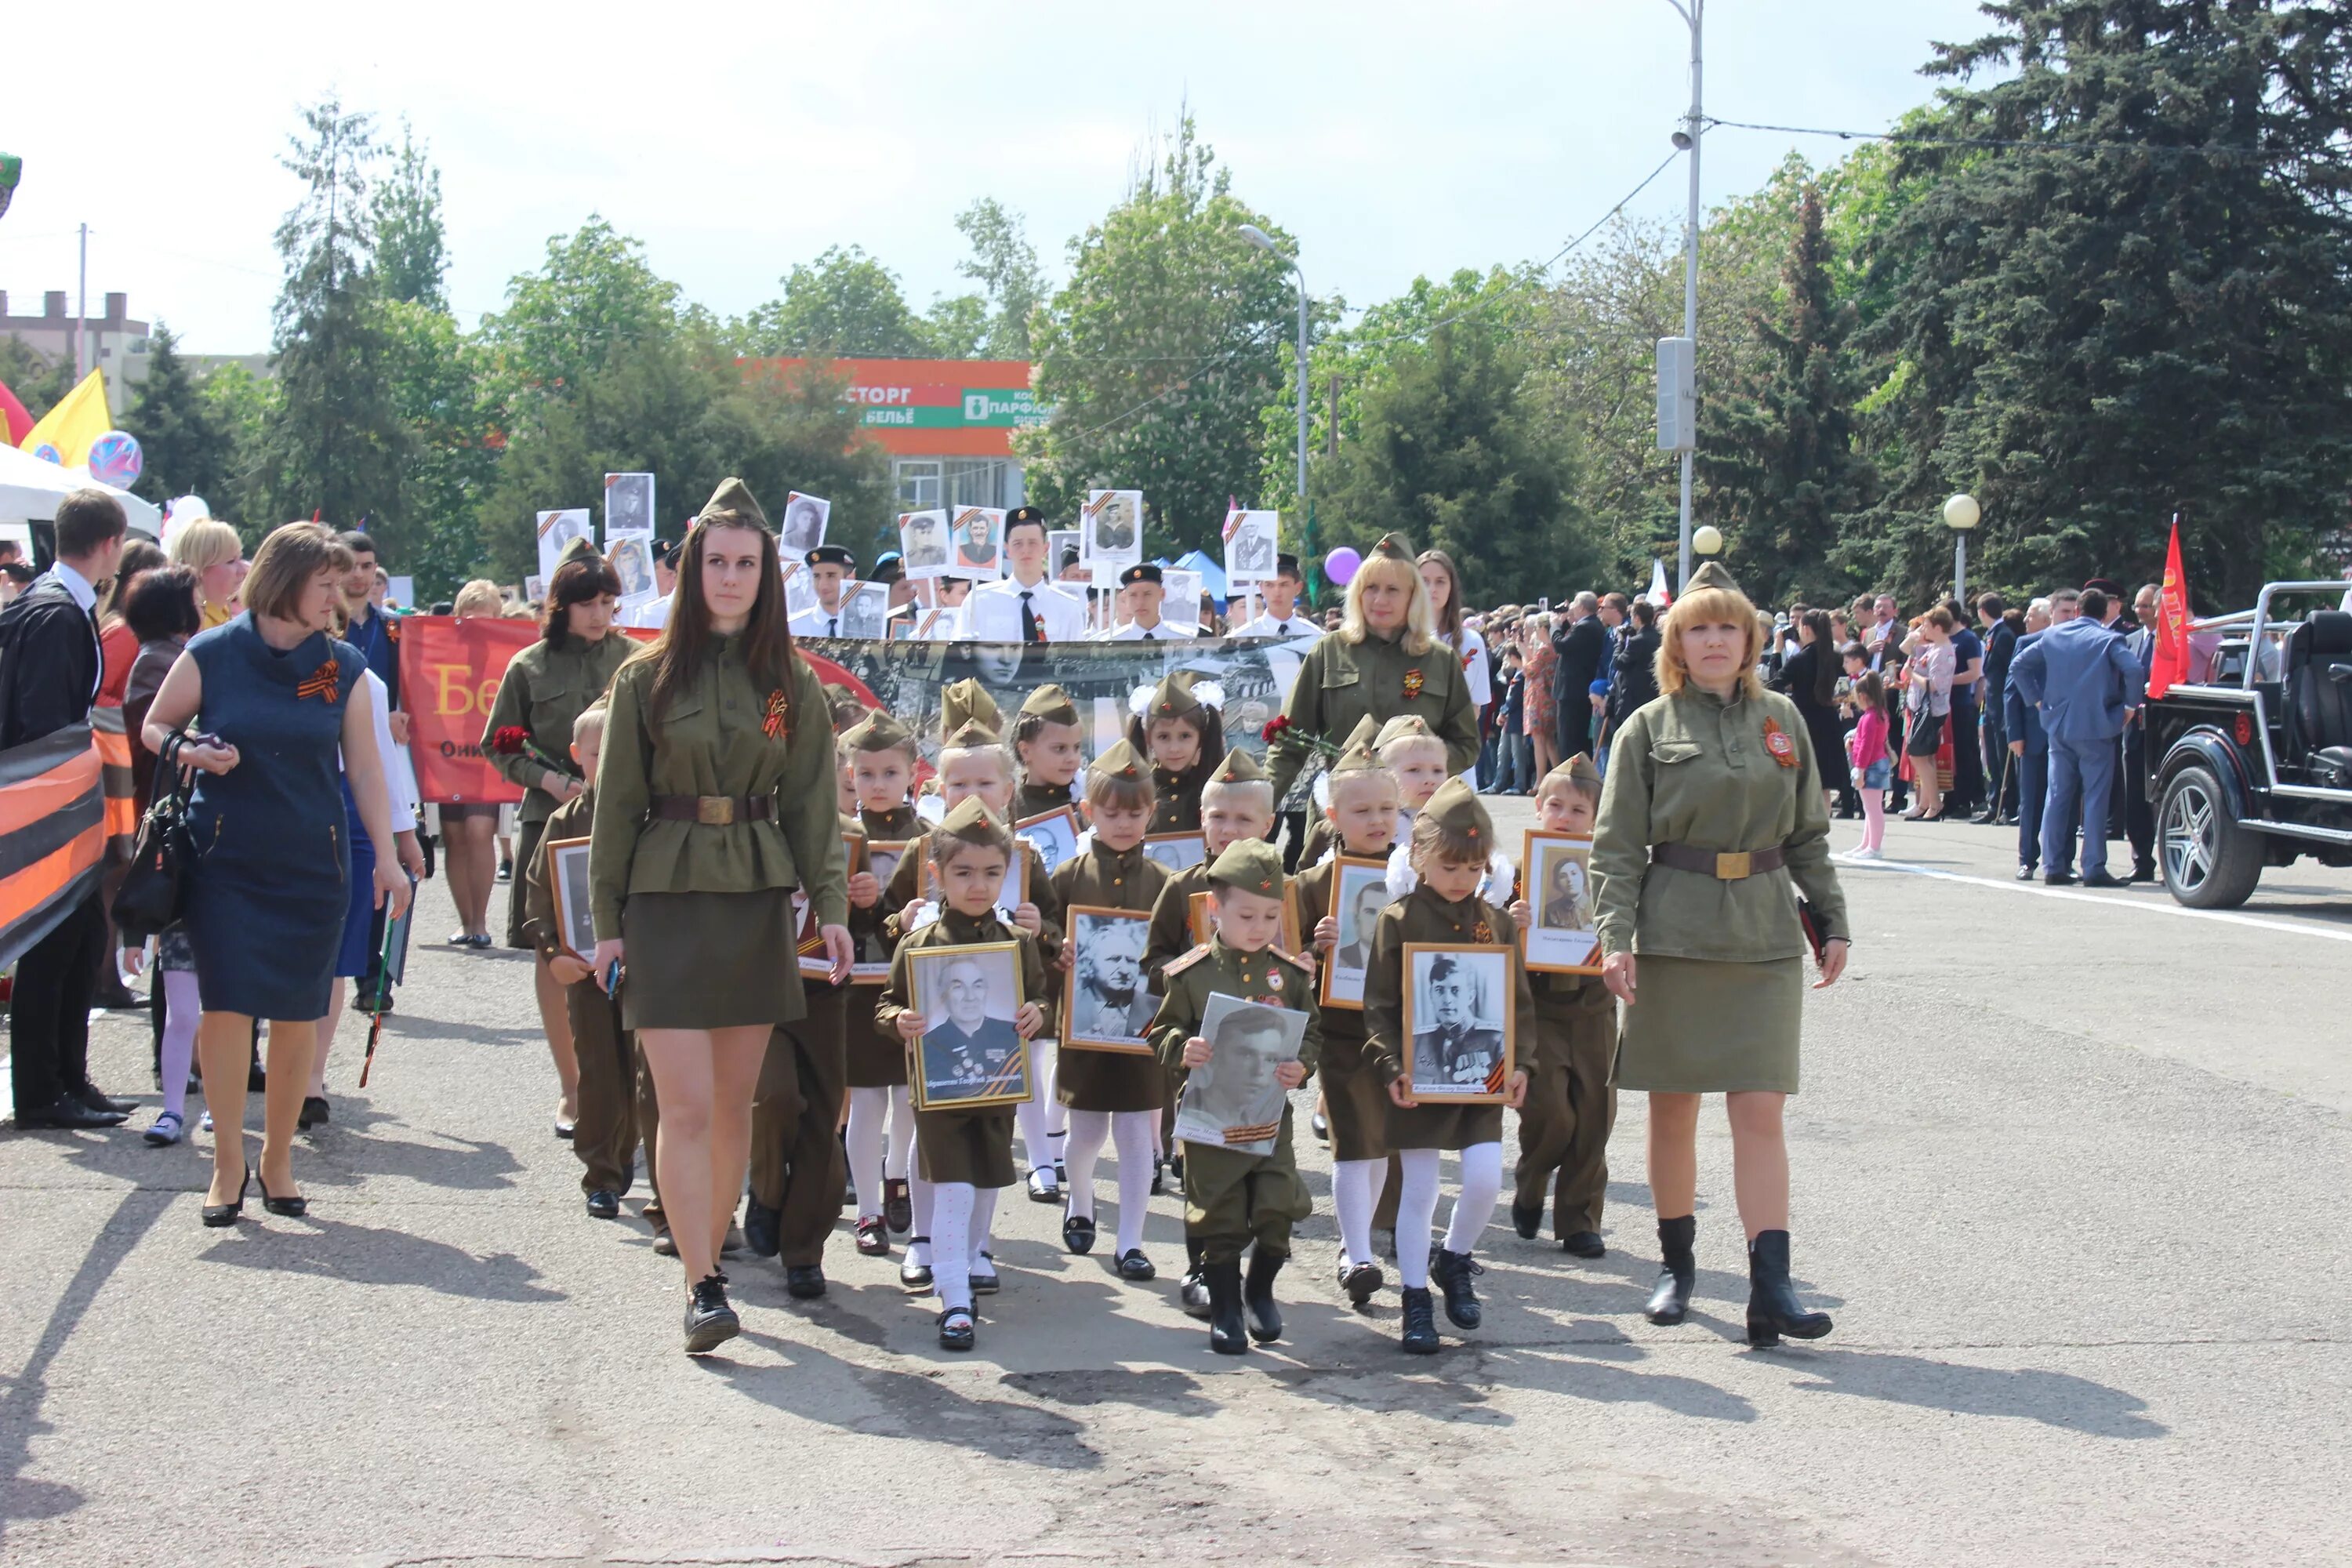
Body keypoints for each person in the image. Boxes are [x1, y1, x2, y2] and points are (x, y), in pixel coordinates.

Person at [588, 477, 852, 1355]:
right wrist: (606, 923)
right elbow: (616, 805)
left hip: (752, 894)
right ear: (691, 568)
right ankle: (700, 1280)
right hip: (663, 898)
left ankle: (716, 1257)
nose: (730, 577)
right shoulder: (644, 676)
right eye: (716, 561)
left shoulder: (787, 684)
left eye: (746, 563)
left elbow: (813, 800)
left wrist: (829, 907)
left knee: (737, 1105)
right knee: (688, 1105)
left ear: (767, 574)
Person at [1588, 560, 1849, 1346]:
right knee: (1673, 1109)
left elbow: (1807, 833)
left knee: (1759, 1108)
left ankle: (1772, 1286)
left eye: (1727, 627)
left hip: (1764, 933)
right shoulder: (1647, 727)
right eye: (1698, 627)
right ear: (1675, 642)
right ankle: (1676, 1266)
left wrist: (1832, 920)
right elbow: (1616, 847)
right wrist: (1615, 937)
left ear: (1749, 640)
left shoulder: (1783, 721)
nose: (1713, 640)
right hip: (1674, 934)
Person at [141, 523, 412, 1222]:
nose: (340, 593)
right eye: (325, 583)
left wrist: (387, 857)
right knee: (226, 1010)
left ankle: (278, 1159)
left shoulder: (340, 666)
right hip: (224, 862)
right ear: (284, 581)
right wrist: (193, 750)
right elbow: (155, 725)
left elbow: (368, 771)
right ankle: (228, 1165)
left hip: (312, 866)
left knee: (297, 1014)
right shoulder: (214, 652)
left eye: (341, 583)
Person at [1362, 778, 1534, 1354]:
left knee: (1485, 1179)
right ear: (1419, 858)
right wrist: (1391, 1067)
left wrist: (1520, 1064)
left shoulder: (1499, 922)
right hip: (1417, 1078)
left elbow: (1519, 1004)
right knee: (1421, 1190)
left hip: (1481, 1080)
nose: (1462, 880)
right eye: (1450, 867)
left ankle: (1454, 1258)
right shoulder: (1399, 920)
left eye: (1474, 868)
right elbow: (1380, 1007)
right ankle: (1415, 1298)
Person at [876, 799, 1053, 1352]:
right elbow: (886, 1004)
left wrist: (1038, 1014)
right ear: (936, 875)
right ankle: (954, 1299)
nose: (978, 886)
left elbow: (1043, 997)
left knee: (983, 1182)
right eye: (963, 873)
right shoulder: (918, 945)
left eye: (992, 873)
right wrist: (899, 1021)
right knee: (951, 1186)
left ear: (1008, 873)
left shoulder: (1019, 943)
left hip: (998, 1089)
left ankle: (974, 1258)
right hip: (940, 1094)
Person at [482, 552, 631, 1140]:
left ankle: (624, 1083)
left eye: (607, 603)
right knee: (554, 954)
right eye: (588, 604)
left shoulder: (633, 662)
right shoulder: (529, 666)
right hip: (551, 825)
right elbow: (499, 744)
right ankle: (573, 1089)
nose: (600, 614)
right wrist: (549, 779)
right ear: (561, 607)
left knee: (626, 947)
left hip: (622, 823)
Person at [1152, 839, 1319, 1352]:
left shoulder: (1288, 975)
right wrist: (1185, 1048)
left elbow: (1311, 1031)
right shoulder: (1192, 974)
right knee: (1219, 1214)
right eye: (1246, 914)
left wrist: (1301, 1066)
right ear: (1214, 908)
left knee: (1277, 1207)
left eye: (1271, 916)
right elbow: (1160, 1033)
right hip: (1211, 1117)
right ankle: (1225, 1309)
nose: (1259, 926)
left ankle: (1260, 1291)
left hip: (1270, 1116)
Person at [2, 489, 132, 1130]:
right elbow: (46, 723)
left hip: (59, 802)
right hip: (54, 805)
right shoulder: (56, 613)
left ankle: (68, 1080)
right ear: (110, 545)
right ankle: (42, 1091)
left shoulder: (56, 604)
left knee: (77, 943)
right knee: (55, 949)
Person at [1049, 739, 1171, 1280]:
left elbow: (1180, 945)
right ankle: (1079, 1199)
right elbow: (1044, 931)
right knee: (1087, 1134)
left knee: (1137, 1136)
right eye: (1111, 812)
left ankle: (1131, 1242)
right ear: (1088, 812)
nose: (1123, 823)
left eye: (1135, 812)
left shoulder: (1165, 882)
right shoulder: (1069, 875)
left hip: (1145, 1030)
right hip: (1085, 1026)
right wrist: (1058, 948)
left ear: (1151, 812)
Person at [523, 701, 644, 1221]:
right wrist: (554, 955)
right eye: (599, 753)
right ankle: (600, 1174)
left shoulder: (649, 816)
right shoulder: (564, 821)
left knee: (643, 1070)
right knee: (598, 1071)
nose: (611, 762)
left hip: (647, 968)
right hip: (585, 970)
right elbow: (539, 898)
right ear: (577, 756)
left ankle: (627, 1154)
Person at [1297, 733, 1403, 1305]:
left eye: (1387, 809)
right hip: (1339, 1033)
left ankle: (1365, 1239)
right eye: (1362, 811)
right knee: (1351, 1143)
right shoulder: (1315, 884)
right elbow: (1286, 962)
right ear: (1334, 815)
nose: (1377, 820)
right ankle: (1355, 1250)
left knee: (1381, 1139)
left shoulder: (1412, 877)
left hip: (1395, 1032)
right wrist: (1315, 950)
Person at [1265, 534, 1478, 816]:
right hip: (1340, 817)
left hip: (1418, 820)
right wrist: (1258, 807)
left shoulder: (1440, 660)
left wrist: (1416, 769)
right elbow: (1289, 742)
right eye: (1371, 588)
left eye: (1393, 590)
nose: (1380, 599)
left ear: (1413, 596)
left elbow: (1466, 744)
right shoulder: (1329, 651)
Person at [1508, 757, 1617, 1258]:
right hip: (1539, 1011)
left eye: (1578, 808)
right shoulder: (1516, 875)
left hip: (1594, 1009)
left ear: (1596, 816)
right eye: (1555, 805)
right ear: (1537, 807)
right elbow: (1484, 938)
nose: (1565, 817)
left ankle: (1579, 1220)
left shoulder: (1610, 872)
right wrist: (1514, 923)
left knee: (1595, 1114)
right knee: (1550, 1111)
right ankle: (1531, 1179)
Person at [120, 567, 205, 1144]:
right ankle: (175, 1107)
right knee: (184, 1008)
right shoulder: (169, 661)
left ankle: (202, 1107)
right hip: (180, 847)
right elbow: (156, 737)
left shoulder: (175, 656)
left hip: (202, 854)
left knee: (213, 1008)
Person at [840, 710, 924, 1254]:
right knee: (867, 1102)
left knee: (910, 1101)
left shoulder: (933, 840)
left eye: (889, 773)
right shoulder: (838, 837)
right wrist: (852, 905)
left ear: (913, 773)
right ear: (850, 775)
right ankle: (868, 1211)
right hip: (855, 992)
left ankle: (899, 1179)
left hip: (915, 992)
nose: (877, 784)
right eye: (866, 774)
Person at [2008, 585, 2145, 888]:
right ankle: (2093, 865)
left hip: (2058, 725)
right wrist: (2129, 707)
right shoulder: (2109, 639)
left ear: (2079, 611)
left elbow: (2018, 666)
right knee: (2095, 798)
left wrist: (2039, 701)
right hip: (2098, 727)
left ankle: (2053, 865)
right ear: (2104, 613)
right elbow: (2134, 670)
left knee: (2056, 796)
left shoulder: (2053, 635)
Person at [434, 580, 510, 946]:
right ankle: (465, 922)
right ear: (458, 618)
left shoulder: (508, 653)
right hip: (448, 753)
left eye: (486, 620)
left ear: (498, 618)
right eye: (470, 619)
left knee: (480, 830)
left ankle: (480, 922)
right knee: (454, 835)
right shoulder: (442, 651)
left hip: (488, 755)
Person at [965, 507, 1086, 644]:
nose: (1025, 550)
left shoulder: (1067, 607)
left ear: (1045, 548)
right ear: (1007, 549)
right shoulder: (980, 601)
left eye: (1033, 543)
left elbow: (1076, 662)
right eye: (1018, 544)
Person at [1130, 670, 1225, 836]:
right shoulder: (1137, 789)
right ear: (1148, 738)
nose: (1174, 748)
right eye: (1164, 737)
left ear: (1201, 737)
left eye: (1185, 736)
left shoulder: (1218, 789)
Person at [336, 531, 408, 746]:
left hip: (384, 747)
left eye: (366, 566)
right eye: (350, 566)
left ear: (375, 570)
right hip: (334, 749)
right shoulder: (320, 627)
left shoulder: (395, 626)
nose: (358, 574)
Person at [2005, 597, 2059, 880]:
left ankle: (2061, 860)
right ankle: (2027, 858)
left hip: (2065, 733)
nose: (2025, 620)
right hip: (2032, 734)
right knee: (2031, 800)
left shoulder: (2072, 642)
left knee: (2064, 798)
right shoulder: (2025, 644)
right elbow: (2011, 692)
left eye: (2030, 615)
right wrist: (2014, 733)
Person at [1774, 610, 1847, 816]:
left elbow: (1774, 683)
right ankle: (1824, 827)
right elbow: (1843, 690)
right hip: (1829, 721)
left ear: (1806, 629)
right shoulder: (1835, 657)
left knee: (1802, 779)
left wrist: (1776, 653)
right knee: (1824, 784)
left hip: (1804, 722)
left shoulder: (1801, 659)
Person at [1417, 549, 1492, 723]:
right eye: (1424, 581)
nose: (1432, 589)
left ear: (1451, 587)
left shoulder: (1471, 643)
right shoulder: (1401, 639)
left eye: (1440, 582)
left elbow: (1475, 706)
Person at [1898, 609, 1957, 822]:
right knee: (1924, 756)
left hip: (1932, 710)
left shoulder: (1943, 652)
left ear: (1938, 628)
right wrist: (1916, 637)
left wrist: (1912, 675)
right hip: (1921, 708)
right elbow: (1904, 648)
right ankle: (1925, 803)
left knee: (1917, 754)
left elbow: (1935, 686)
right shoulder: (1933, 647)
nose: (1924, 629)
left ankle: (1935, 804)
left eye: (1928, 626)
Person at [2121, 583, 2162, 881]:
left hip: (2164, 729)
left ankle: (2170, 861)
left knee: (2161, 799)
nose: (2139, 611)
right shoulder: (2130, 640)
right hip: (2134, 730)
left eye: (2145, 605)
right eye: (2137, 605)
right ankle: (2142, 861)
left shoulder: (2173, 642)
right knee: (2134, 797)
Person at [1974, 593, 2018, 824]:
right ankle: (1994, 804)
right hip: (1990, 705)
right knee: (1992, 758)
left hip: (2001, 705)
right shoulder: (1992, 634)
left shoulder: (2004, 636)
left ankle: (2008, 806)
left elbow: (2009, 672)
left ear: (1982, 612)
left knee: (2003, 758)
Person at [1550, 592, 1610, 760]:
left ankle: (1571, 781)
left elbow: (1561, 645)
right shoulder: (1590, 625)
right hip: (1578, 689)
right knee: (1574, 739)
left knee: (1569, 741)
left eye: (1575, 605)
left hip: (1573, 691)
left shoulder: (1585, 627)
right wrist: (1564, 624)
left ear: (1582, 607)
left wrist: (1554, 626)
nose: (1572, 609)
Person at [1841, 671, 1892, 862]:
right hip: (1877, 762)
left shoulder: (1869, 718)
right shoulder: (1881, 714)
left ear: (1862, 696)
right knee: (1871, 807)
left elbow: (1866, 746)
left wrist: (1860, 769)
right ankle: (1867, 844)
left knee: (1872, 809)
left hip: (1870, 765)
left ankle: (1874, 846)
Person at [168, 517, 245, 629]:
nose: (243, 570)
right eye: (231, 561)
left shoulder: (224, 612)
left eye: (240, 558)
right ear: (198, 568)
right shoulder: (194, 626)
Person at [1228, 554, 1319, 639]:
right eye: (1269, 585)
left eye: (1284, 585)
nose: (1277, 592)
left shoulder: (1315, 636)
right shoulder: (1240, 637)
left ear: (1298, 588)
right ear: (1261, 588)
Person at [1100, 563, 1194, 640]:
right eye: (1133, 595)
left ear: (1162, 594)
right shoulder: (1112, 642)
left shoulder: (1184, 640)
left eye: (1147, 594)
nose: (1140, 602)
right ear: (1126, 598)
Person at [787, 545, 858, 639]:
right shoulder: (792, 628)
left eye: (831, 576)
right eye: (817, 576)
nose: (822, 585)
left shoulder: (864, 629)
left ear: (850, 578)